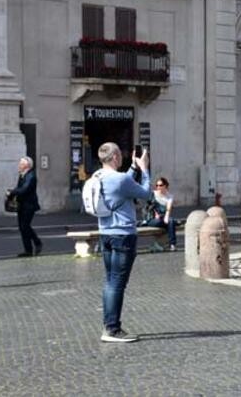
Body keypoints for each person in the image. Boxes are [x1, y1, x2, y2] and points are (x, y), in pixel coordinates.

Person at [96, 142, 151, 343]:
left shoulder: (98, 176)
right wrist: (144, 169)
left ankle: (108, 325)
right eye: (120, 154)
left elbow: (123, 184)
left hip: (105, 233)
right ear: (116, 157)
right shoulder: (118, 179)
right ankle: (112, 329)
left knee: (110, 281)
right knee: (117, 283)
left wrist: (134, 168)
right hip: (123, 234)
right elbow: (146, 193)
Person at [7, 156, 42, 257]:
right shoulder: (22, 175)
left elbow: (24, 189)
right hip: (22, 205)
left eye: (21, 164)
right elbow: (19, 188)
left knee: (25, 226)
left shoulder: (31, 176)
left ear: (26, 166)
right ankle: (28, 250)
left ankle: (37, 243)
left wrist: (12, 192)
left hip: (29, 205)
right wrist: (11, 194)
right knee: (23, 228)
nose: (19, 165)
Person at [145, 177, 177, 251]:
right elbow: (147, 208)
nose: (158, 187)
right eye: (157, 185)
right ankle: (161, 244)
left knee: (170, 221)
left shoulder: (169, 197)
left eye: (160, 185)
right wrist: (154, 213)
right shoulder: (153, 194)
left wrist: (166, 217)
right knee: (170, 223)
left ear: (165, 186)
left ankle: (172, 245)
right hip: (152, 219)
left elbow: (168, 209)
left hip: (163, 218)